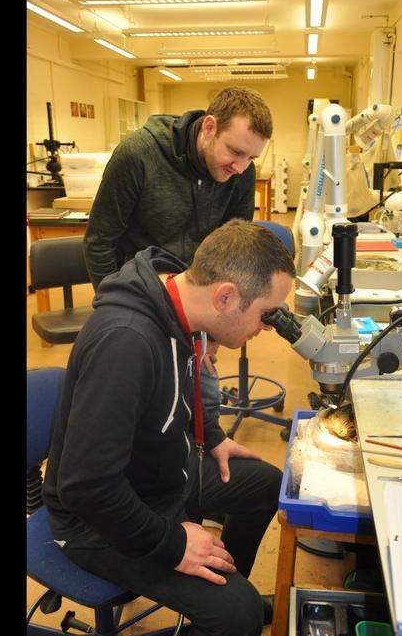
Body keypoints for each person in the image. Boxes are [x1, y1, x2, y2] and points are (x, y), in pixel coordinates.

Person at [44, 220, 295, 636]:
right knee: (239, 615)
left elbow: (177, 387)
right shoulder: (126, 343)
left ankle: (219, 582)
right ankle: (227, 603)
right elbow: (85, 487)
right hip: (96, 518)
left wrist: (211, 436)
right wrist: (173, 545)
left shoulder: (179, 299)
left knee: (266, 484)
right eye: (265, 313)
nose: (269, 326)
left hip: (156, 474)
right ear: (226, 297)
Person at [83, 85, 275, 467]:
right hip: (139, 304)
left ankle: (196, 484)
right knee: (144, 418)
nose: (240, 167)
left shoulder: (241, 172)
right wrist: (114, 311)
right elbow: (99, 242)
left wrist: (218, 329)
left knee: (203, 400)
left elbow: (232, 253)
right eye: (234, 151)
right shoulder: (138, 155)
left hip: (197, 305)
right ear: (208, 128)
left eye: (251, 157)